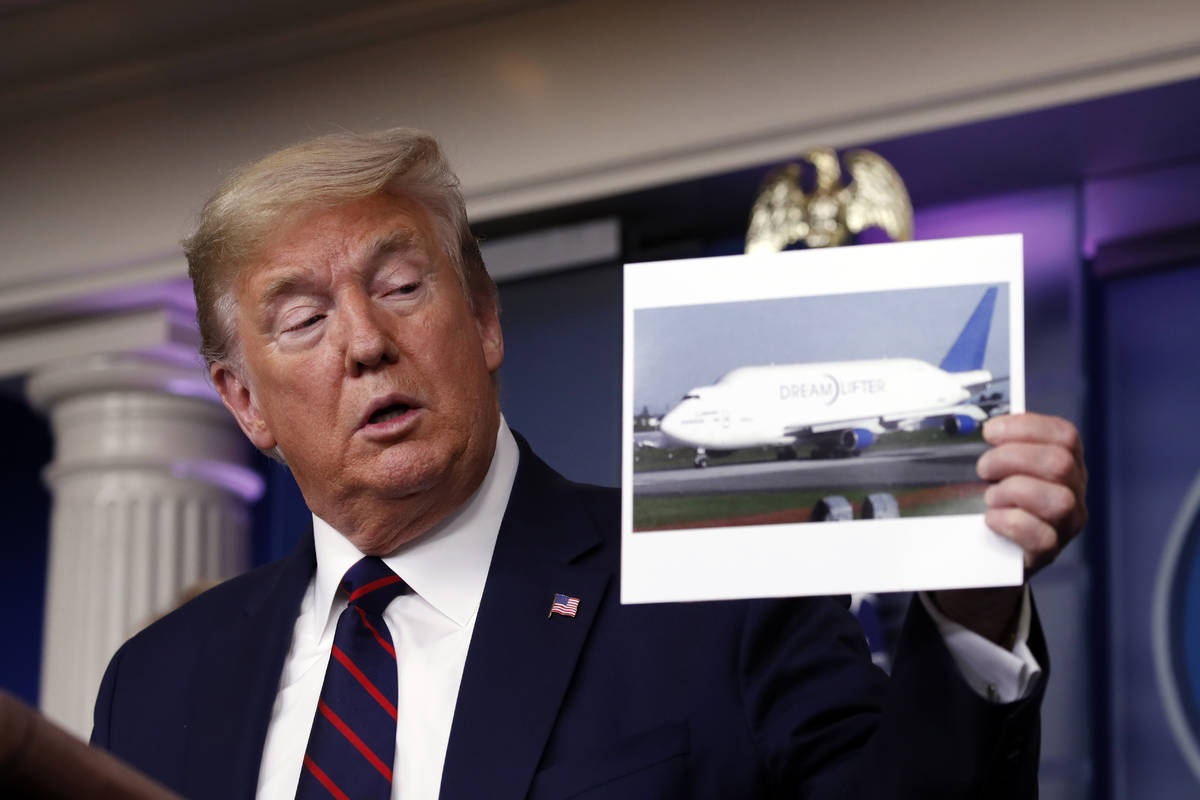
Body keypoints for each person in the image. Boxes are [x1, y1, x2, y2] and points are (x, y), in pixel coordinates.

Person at [91, 128, 1087, 799]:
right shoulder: (159, 682)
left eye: (400, 286)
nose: (364, 342)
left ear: (483, 318)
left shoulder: (713, 583)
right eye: (305, 318)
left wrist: (967, 614)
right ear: (245, 400)